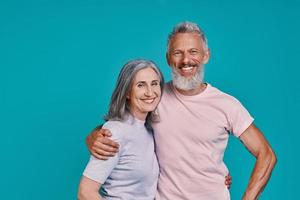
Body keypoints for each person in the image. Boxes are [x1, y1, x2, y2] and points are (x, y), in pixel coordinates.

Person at [86, 22, 277, 199]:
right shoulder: (155, 98)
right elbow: (124, 125)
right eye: (178, 53)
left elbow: (266, 154)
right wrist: (94, 136)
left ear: (206, 55)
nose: (186, 60)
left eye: (193, 51)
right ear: (168, 58)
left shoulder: (227, 104)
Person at [78, 59, 165, 199]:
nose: (150, 92)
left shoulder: (149, 129)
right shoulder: (114, 132)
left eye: (154, 84)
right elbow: (85, 192)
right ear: (127, 92)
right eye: (141, 85)